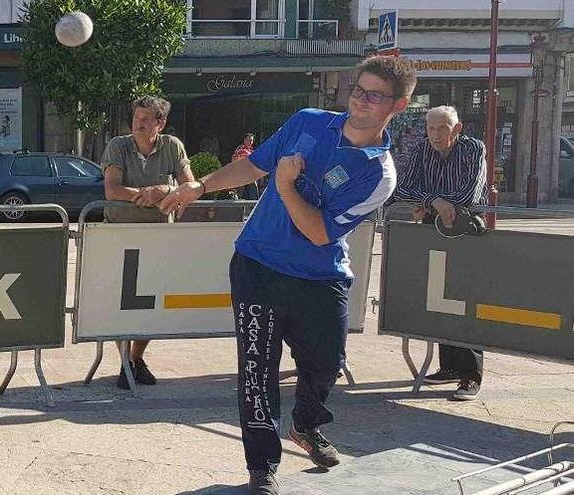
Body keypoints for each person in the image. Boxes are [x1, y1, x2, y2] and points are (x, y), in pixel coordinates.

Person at [160, 56, 416, 494]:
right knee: (258, 367)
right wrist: (199, 186)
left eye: (375, 95)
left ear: (399, 104)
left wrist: (284, 187)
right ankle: (262, 468)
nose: (361, 100)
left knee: (326, 364)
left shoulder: (379, 173)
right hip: (257, 264)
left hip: (320, 276)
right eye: (359, 89)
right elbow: (254, 165)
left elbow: (318, 233)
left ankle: (305, 424)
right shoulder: (308, 121)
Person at [391, 105, 487, 401]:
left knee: (465, 299)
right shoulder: (422, 149)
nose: (434, 134)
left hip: (467, 233)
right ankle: (449, 367)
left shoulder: (473, 149)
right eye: (430, 128)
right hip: (432, 229)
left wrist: (432, 201)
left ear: (457, 129)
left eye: (442, 128)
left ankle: (470, 375)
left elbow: (468, 195)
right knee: (439, 298)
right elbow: (403, 189)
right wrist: (434, 201)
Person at [102, 96, 194, 389]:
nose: (138, 123)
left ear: (160, 123)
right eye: (136, 117)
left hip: (157, 238)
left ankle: (134, 359)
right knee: (120, 303)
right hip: (119, 236)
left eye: (145, 118)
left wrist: (164, 189)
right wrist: (145, 195)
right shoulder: (118, 145)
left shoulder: (172, 146)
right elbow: (111, 190)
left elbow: (188, 185)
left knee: (150, 305)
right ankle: (125, 364)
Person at [231, 133, 259, 200]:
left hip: (250, 173)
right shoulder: (240, 148)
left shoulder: (252, 150)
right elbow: (233, 159)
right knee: (239, 190)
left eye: (251, 140)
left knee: (254, 189)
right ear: (245, 140)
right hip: (241, 172)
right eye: (249, 140)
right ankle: (236, 204)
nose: (250, 142)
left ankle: (254, 204)